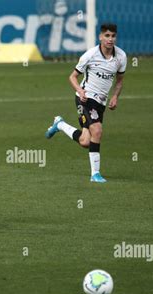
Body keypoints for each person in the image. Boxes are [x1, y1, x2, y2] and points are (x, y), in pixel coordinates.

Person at [45, 23, 126, 183]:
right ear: (100, 37)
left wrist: (115, 96)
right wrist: (81, 91)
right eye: (107, 36)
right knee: (97, 130)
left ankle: (60, 124)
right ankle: (95, 174)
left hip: (101, 102)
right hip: (85, 98)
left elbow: (119, 81)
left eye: (113, 36)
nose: (110, 39)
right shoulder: (90, 55)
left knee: (85, 141)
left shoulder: (121, 57)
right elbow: (72, 77)